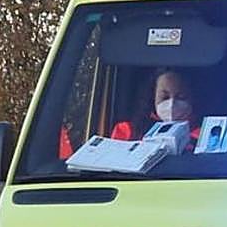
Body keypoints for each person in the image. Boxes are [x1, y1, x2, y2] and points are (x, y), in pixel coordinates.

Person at [58, 68, 200, 159]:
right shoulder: (127, 131)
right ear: (152, 97)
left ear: (192, 98)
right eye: (164, 97)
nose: (172, 104)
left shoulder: (206, 135)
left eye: (181, 97)